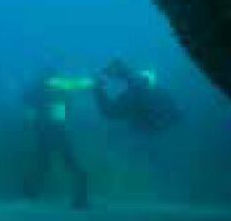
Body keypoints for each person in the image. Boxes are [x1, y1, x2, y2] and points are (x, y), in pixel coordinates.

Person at [21, 69, 94, 209]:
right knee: (71, 164)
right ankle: (81, 198)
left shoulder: (35, 91)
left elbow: (29, 116)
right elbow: (68, 104)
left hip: (44, 133)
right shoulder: (60, 90)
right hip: (59, 133)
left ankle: (29, 193)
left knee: (42, 164)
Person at [94, 59, 181, 134]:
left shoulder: (137, 96)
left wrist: (98, 88)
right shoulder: (154, 91)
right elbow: (131, 76)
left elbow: (109, 112)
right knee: (135, 82)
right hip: (151, 113)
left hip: (149, 120)